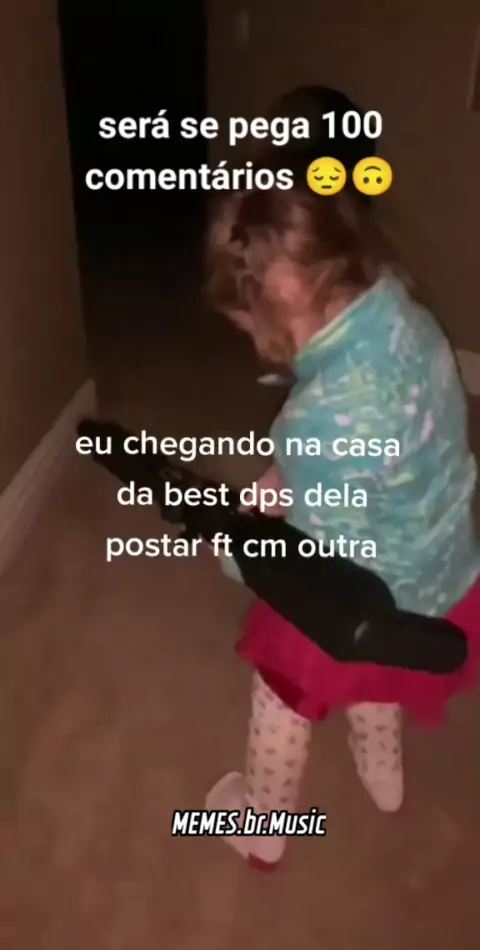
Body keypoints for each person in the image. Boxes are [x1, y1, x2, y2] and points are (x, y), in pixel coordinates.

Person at [203, 183, 480, 870]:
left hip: (363, 595)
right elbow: (387, 449)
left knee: (283, 688)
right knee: (380, 669)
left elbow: (318, 560)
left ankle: (264, 823)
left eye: (249, 328)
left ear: (273, 311)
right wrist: (298, 474)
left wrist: (240, 543)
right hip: (441, 571)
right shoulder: (407, 321)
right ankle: (383, 778)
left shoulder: (321, 417)